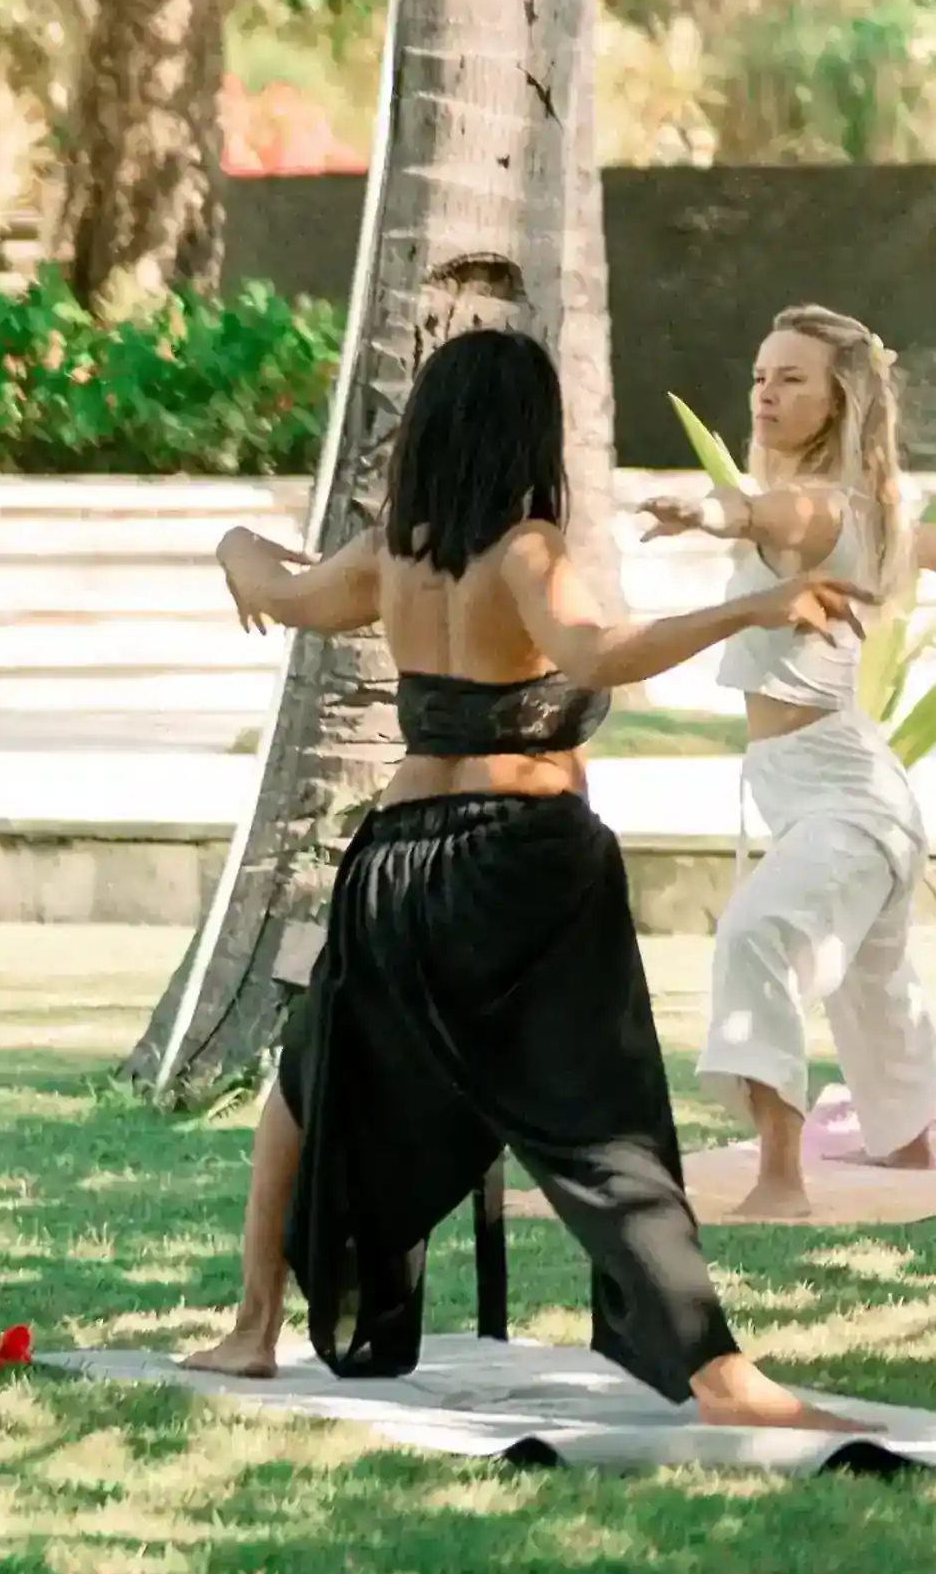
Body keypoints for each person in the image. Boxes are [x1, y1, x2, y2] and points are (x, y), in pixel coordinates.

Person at [186, 325, 866, 1428]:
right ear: (526, 435)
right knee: (601, 1119)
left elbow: (284, 586)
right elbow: (598, 653)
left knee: (310, 1076)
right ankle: (720, 1376)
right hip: (518, 866)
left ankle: (251, 1328)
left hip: (395, 867)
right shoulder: (526, 550)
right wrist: (747, 608)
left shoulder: (390, 556)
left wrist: (229, 543)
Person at [643, 303, 936, 1220]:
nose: (765, 391)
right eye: (760, 374)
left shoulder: (822, 506)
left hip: (844, 796)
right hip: (848, 793)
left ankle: (781, 1183)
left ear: (837, 402)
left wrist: (709, 511)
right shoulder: (874, 511)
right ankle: (910, 1155)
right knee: (872, 989)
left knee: (759, 939)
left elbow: (764, 510)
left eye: (791, 377)